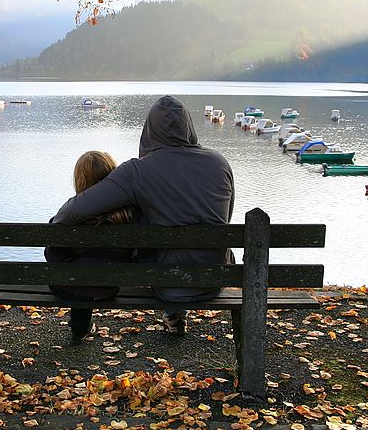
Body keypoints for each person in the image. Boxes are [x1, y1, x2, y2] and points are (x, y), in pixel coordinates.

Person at [51, 95, 235, 333]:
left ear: (149, 129)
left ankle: (173, 310)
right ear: (189, 126)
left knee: (152, 238)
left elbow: (71, 213)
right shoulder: (219, 163)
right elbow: (225, 218)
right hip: (215, 278)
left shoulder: (137, 171)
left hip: (168, 284)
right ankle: (175, 317)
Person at [45, 151, 137, 344]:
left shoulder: (70, 216)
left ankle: (80, 328)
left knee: (75, 273)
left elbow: (52, 254)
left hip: (67, 288)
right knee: (90, 271)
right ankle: (82, 327)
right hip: (108, 287)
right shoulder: (128, 217)